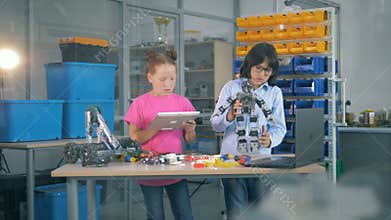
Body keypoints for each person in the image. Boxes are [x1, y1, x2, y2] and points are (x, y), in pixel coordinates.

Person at [211, 43, 287, 219]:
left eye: (267, 70)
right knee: (237, 211)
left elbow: (279, 127)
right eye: (258, 68)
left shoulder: (274, 93)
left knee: (260, 211)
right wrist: (230, 114)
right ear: (249, 65)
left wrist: (270, 140)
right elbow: (215, 124)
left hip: (261, 160)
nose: (262, 75)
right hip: (232, 161)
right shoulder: (231, 88)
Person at [125, 50, 196, 220]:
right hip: (149, 169)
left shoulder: (183, 102)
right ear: (150, 77)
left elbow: (190, 140)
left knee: (184, 214)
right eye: (162, 79)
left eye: (172, 79)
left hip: (176, 167)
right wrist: (155, 128)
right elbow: (133, 138)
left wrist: (190, 130)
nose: (168, 84)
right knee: (155, 215)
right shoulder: (139, 103)